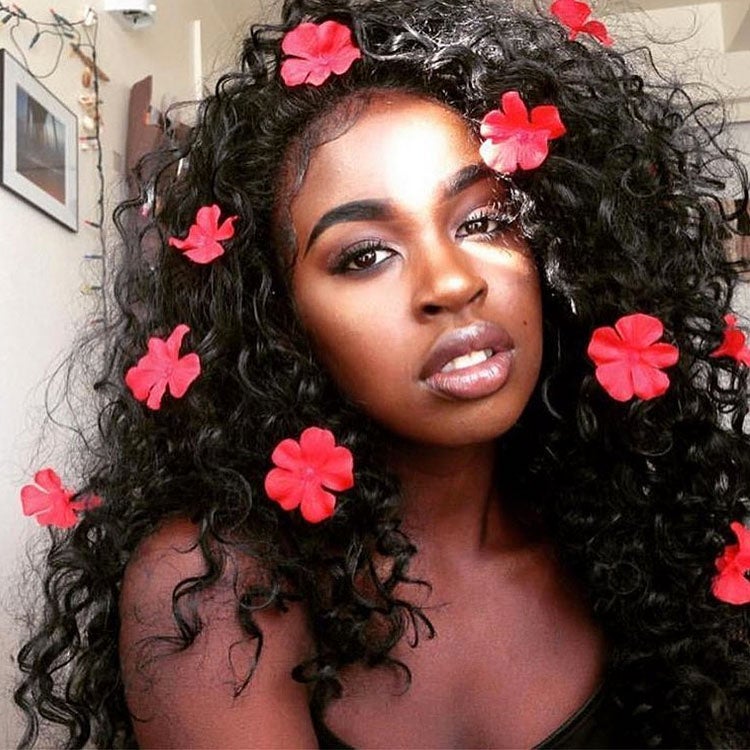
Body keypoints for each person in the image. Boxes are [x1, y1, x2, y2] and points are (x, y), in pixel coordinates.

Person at [14, 0, 750, 747]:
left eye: (483, 220)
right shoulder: (211, 589)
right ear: (281, 318)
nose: (453, 282)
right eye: (365, 255)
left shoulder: (638, 529)